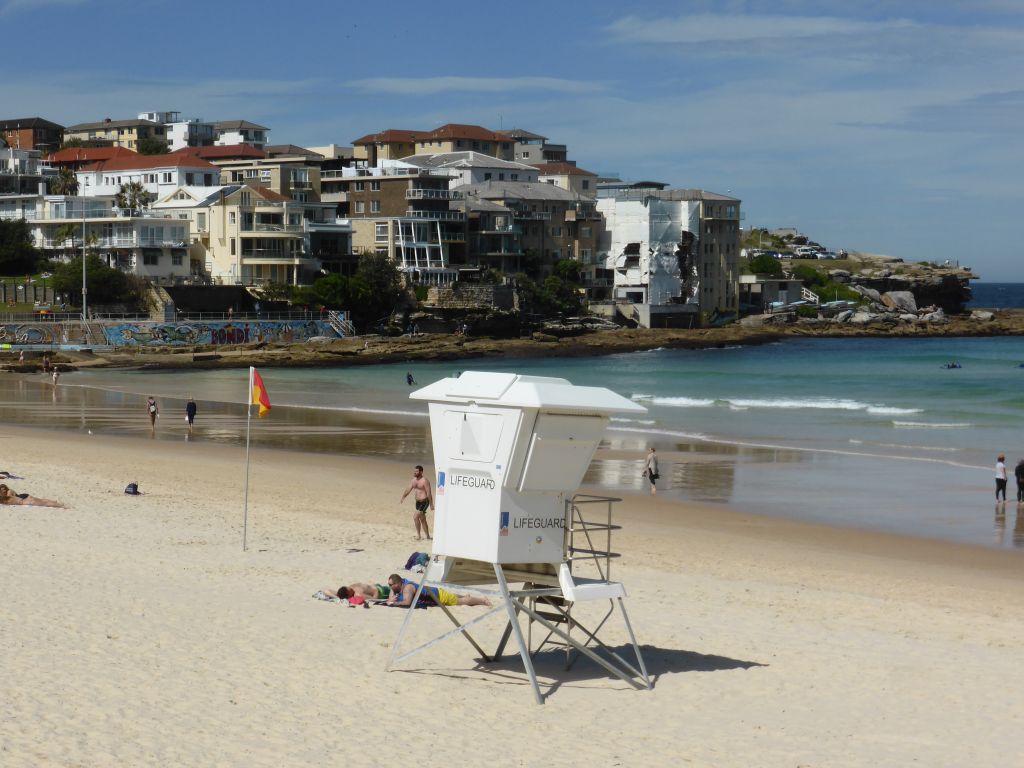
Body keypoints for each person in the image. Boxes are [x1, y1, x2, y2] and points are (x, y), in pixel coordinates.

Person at [386, 574, 491, 608]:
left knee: (462, 602)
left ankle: (482, 600)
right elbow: (390, 597)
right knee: (454, 596)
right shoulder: (397, 587)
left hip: (438, 597)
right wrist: (391, 599)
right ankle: (465, 595)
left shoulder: (408, 588)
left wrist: (394, 603)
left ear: (397, 584)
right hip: (436, 592)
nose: (389, 587)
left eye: (391, 585)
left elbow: (407, 602)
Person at [399, 464, 433, 540]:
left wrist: (431, 504)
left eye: (417, 471)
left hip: (424, 501)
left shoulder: (425, 481)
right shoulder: (413, 480)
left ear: (421, 472)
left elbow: (429, 493)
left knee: (415, 517)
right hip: (417, 502)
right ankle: (428, 536)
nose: (415, 473)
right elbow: (408, 489)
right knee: (422, 519)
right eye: (414, 471)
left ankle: (418, 535)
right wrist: (403, 497)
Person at [0, 483, 64, 508]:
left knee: (43, 502)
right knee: (42, 501)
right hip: (23, 497)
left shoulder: (9, 492)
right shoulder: (5, 495)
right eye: (2, 490)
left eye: (4, 489)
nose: (3, 491)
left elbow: (12, 498)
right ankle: (55, 502)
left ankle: (59, 505)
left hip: (23, 497)